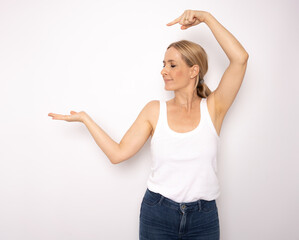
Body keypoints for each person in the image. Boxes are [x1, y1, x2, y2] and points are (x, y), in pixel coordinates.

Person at [48, 9, 248, 240]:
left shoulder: (213, 109)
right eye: (164, 64)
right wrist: (86, 119)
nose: (164, 70)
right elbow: (118, 154)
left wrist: (206, 18)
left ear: (194, 71)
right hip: (158, 214)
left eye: (172, 65)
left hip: (203, 218)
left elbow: (240, 59)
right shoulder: (154, 111)